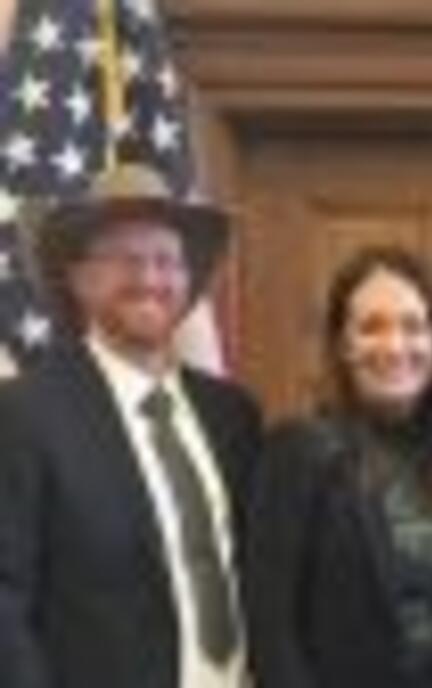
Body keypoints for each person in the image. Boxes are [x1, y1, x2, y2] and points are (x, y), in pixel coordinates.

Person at [0, 163, 263, 688]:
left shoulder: (232, 415)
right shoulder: (26, 414)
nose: (149, 279)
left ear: (188, 281)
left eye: (167, 261)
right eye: (125, 260)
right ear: (80, 279)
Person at [246, 246, 432, 688]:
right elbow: (272, 633)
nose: (395, 346)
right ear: (343, 345)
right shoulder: (300, 453)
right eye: (371, 327)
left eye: (413, 326)